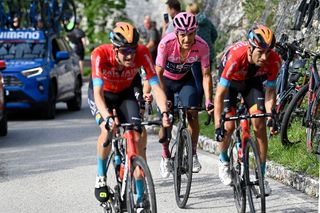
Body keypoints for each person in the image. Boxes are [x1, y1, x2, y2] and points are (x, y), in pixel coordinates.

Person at [88, 22, 170, 204]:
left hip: (125, 94)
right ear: (115, 49)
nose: (130, 55)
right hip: (104, 95)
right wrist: (108, 119)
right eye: (125, 51)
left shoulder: (142, 53)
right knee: (107, 129)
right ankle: (100, 176)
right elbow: (97, 95)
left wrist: (164, 112)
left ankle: (141, 197)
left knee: (135, 136)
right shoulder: (100, 55)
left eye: (132, 50)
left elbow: (156, 86)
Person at [214, 24, 281, 195]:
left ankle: (261, 176)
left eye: (268, 52)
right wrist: (217, 125)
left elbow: (270, 92)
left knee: (259, 124)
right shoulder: (236, 57)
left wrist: (271, 116)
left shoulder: (274, 60)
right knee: (228, 126)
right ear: (250, 48)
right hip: (231, 83)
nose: (265, 57)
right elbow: (220, 95)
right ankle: (224, 161)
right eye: (260, 52)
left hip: (252, 82)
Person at [156, 12, 214, 177]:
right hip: (165, 81)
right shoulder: (165, 44)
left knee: (193, 114)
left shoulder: (202, 46)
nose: (187, 39)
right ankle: (165, 155)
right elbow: (157, 74)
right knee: (166, 120)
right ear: (176, 33)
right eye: (183, 35)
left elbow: (206, 75)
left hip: (184, 80)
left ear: (196, 31)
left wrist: (209, 100)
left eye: (191, 34)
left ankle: (193, 154)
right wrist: (162, 101)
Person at [186, 2, 218, 105]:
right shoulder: (207, 21)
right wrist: (209, 43)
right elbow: (215, 34)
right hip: (209, 54)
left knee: (198, 80)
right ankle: (209, 102)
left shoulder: (191, 24)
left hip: (196, 55)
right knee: (207, 77)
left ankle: (198, 104)